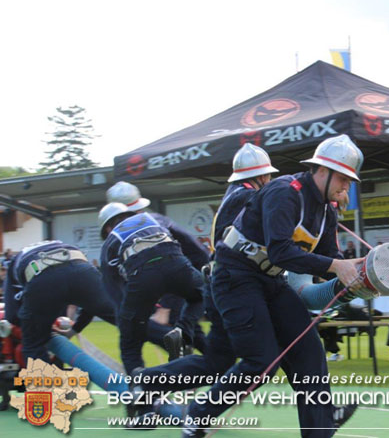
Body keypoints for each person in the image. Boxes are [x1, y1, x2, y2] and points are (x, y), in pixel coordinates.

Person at [186, 134, 368, 438]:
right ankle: (199, 415)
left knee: (310, 352)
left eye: (350, 181)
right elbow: (282, 251)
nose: (346, 186)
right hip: (235, 277)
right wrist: (337, 267)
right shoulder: (284, 192)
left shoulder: (327, 210)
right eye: (343, 178)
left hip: (270, 280)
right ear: (321, 171)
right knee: (261, 361)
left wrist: (358, 276)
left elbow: (329, 257)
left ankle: (319, 431)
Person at [106, 180, 210, 357]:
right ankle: (222, 365)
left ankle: (187, 378)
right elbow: (199, 252)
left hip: (175, 289)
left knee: (175, 339)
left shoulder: (153, 223)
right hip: (176, 286)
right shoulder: (156, 222)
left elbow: (198, 254)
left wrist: (165, 307)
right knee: (191, 336)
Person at [2, 241, 116, 363]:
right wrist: (75, 329)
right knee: (128, 320)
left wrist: (37, 328)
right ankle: (136, 371)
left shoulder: (15, 265)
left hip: (42, 275)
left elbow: (11, 315)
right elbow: (90, 306)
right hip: (81, 266)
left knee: (32, 345)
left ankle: (46, 381)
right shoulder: (58, 245)